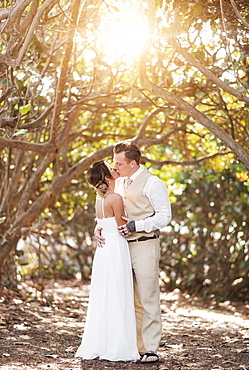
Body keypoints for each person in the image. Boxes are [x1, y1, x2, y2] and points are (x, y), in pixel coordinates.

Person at [96, 142, 172, 364]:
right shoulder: (115, 183)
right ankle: (134, 346)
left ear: (133, 162)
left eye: (119, 163)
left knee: (147, 297)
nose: (114, 166)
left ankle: (150, 348)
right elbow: (106, 211)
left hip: (145, 244)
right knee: (129, 297)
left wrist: (136, 225)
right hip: (120, 247)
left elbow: (164, 216)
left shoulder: (152, 183)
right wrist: (98, 228)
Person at [75, 160, 139, 362]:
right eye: (111, 168)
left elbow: (102, 223)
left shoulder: (99, 198)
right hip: (116, 248)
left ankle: (103, 342)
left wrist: (98, 229)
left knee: (105, 297)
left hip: (103, 251)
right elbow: (122, 227)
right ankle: (117, 345)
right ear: (106, 177)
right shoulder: (115, 198)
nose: (115, 168)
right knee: (118, 294)